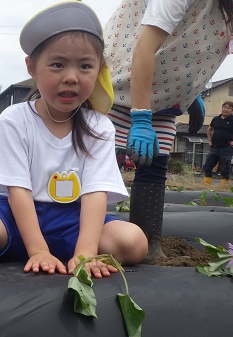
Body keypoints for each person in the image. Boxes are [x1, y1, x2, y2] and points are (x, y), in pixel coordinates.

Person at [0, 1, 148, 278]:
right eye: (57, 64)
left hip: (72, 223)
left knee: (133, 241)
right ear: (31, 67)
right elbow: (18, 191)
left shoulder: (98, 126)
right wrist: (37, 249)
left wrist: (85, 253)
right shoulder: (15, 120)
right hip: (15, 221)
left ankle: (66, 257)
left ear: (99, 68)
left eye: (85, 66)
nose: (71, 77)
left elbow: (94, 194)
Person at [103, 0, 233, 261]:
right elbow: (145, 47)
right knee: (96, 159)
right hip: (116, 86)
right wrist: (141, 118)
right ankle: (79, 234)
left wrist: (190, 92)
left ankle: (146, 242)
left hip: (164, 99)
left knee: (155, 163)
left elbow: (199, 50)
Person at [203, 101, 233, 186]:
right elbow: (209, 129)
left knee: (225, 167)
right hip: (214, 147)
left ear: (232, 110)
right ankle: (206, 184)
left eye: (228, 108)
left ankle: (223, 186)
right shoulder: (216, 119)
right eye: (224, 107)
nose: (225, 109)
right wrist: (209, 140)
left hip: (227, 147)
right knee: (208, 166)